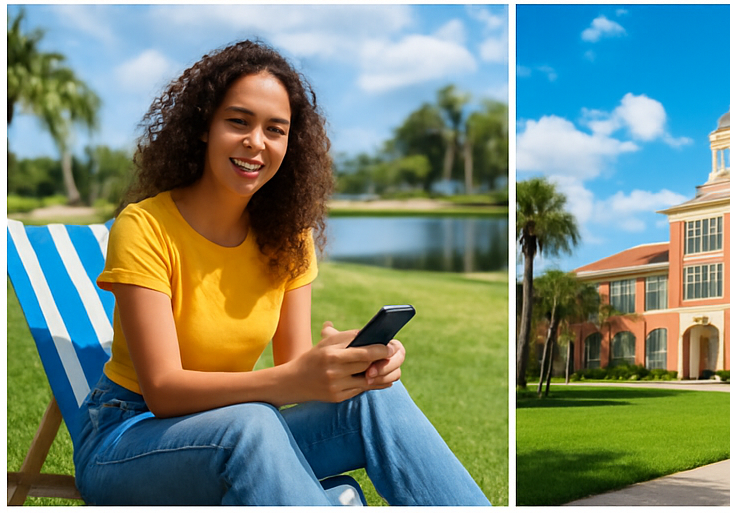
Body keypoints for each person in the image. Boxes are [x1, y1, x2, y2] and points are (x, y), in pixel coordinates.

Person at [73, 40, 489, 506]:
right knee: (251, 423)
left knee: (376, 399)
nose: (256, 142)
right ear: (204, 126)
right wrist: (294, 380)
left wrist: (346, 363)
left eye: (275, 129)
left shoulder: (289, 239)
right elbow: (165, 391)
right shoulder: (145, 226)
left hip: (239, 431)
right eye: (238, 121)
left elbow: (296, 369)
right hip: (128, 439)